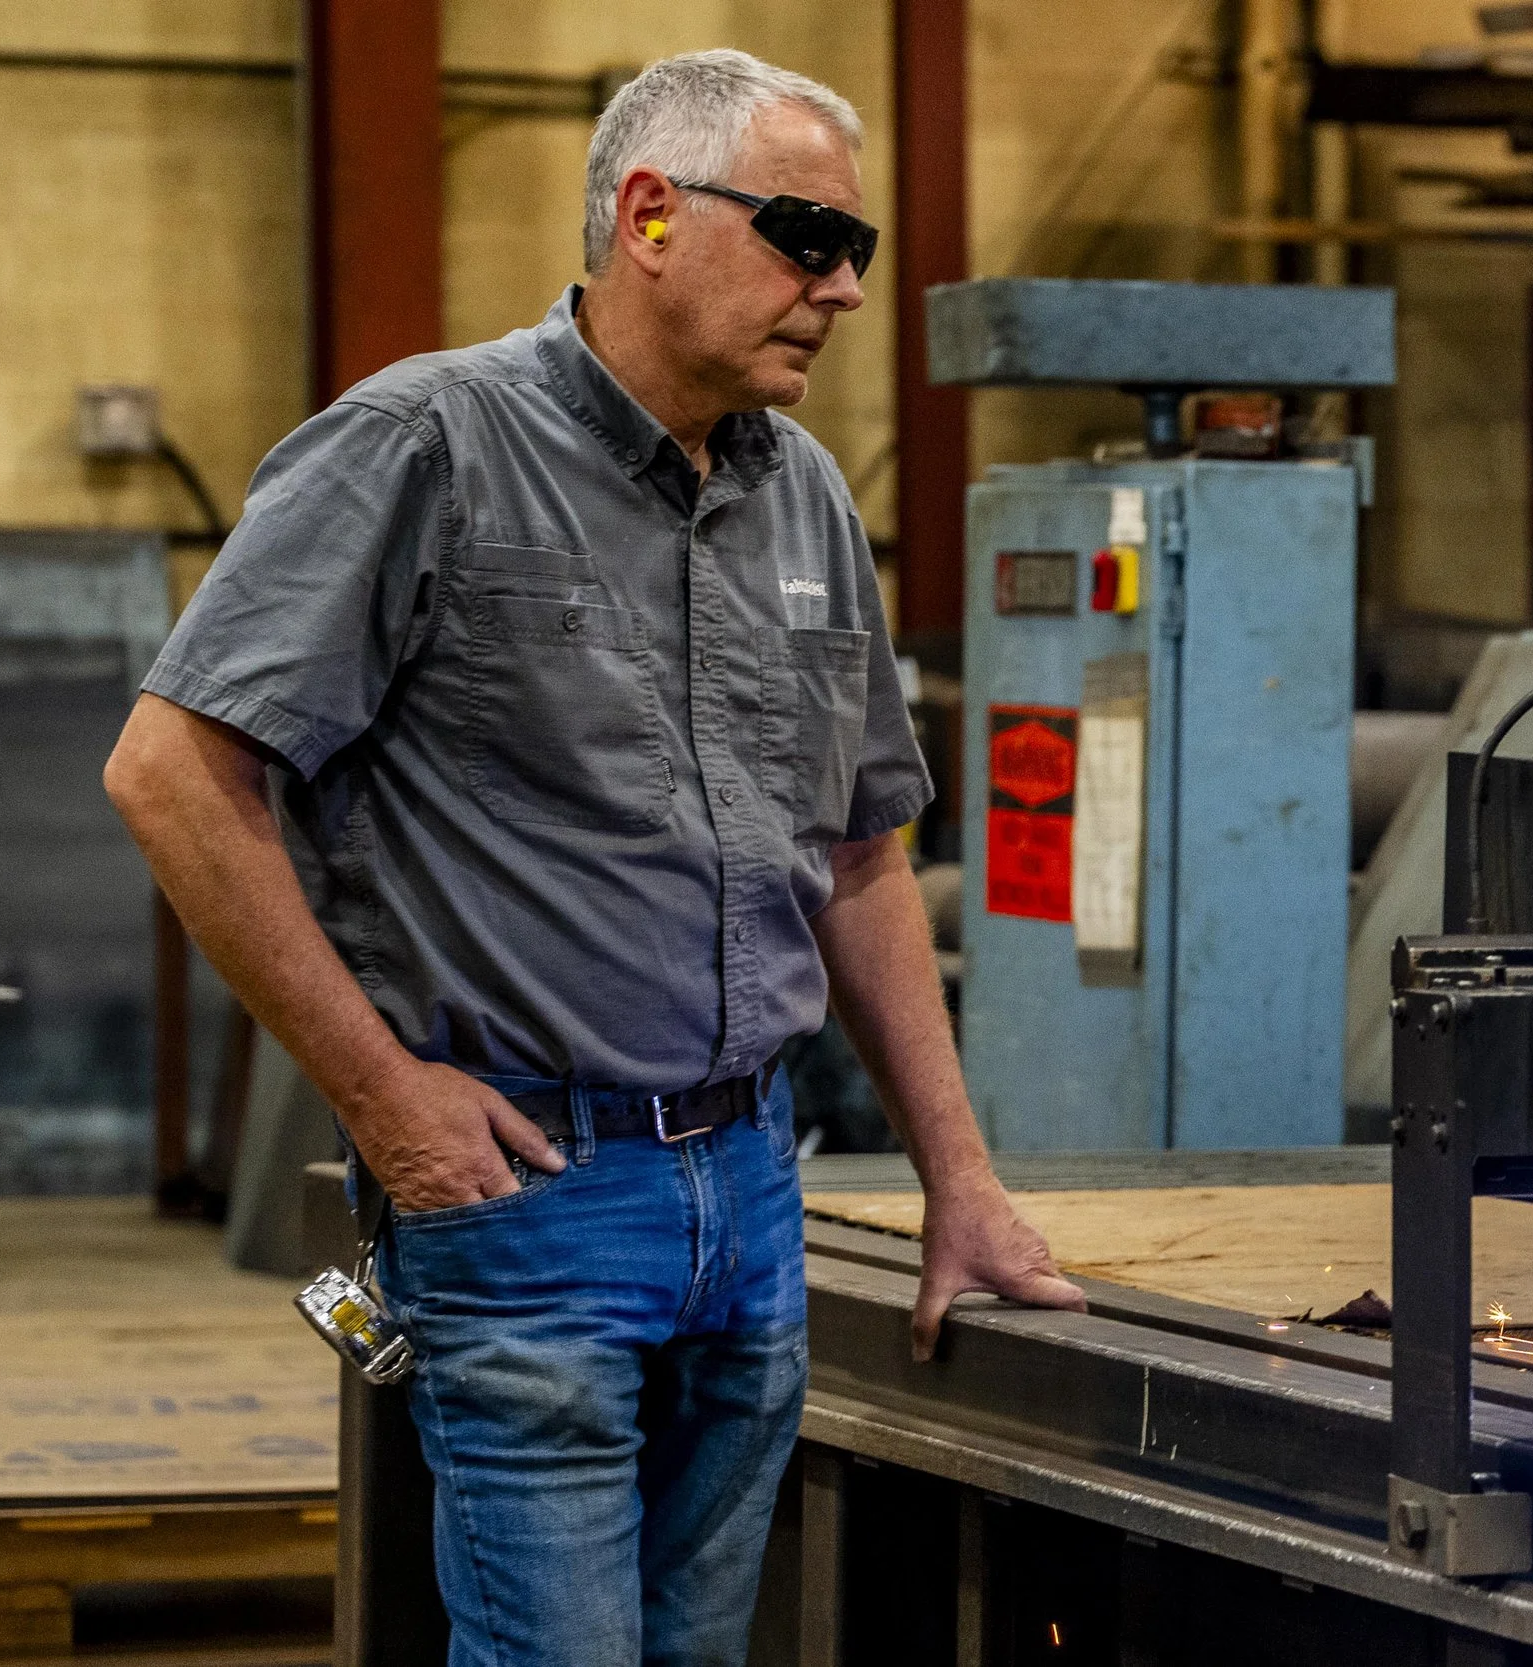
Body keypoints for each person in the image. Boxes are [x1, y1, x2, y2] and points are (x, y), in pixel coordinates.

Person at [104, 48, 1084, 1666]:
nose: (840, 289)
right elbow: (174, 773)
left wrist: (959, 1180)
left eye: (859, 251)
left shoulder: (808, 499)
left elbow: (857, 856)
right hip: (531, 1200)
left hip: (753, 1199)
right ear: (646, 215)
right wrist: (379, 1092)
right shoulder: (424, 448)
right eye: (801, 235)